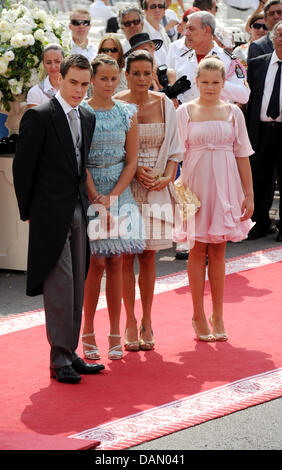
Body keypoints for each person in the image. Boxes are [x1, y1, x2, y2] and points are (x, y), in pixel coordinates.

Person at [13, 54, 105, 383]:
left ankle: (70, 352)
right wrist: (29, 213)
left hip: (79, 209)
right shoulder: (39, 116)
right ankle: (59, 356)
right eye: (73, 83)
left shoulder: (88, 116)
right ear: (59, 79)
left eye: (84, 84)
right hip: (49, 214)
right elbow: (22, 169)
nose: (79, 90)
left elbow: (79, 167)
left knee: (77, 283)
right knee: (60, 286)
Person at [176, 56, 254, 341]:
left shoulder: (234, 112)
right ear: (196, 82)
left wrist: (249, 193)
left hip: (226, 184)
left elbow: (243, 153)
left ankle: (218, 313)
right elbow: (177, 154)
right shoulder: (184, 111)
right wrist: (176, 190)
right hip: (194, 184)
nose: (210, 87)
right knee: (197, 248)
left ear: (224, 83)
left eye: (216, 82)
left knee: (219, 249)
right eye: (205, 82)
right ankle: (197, 313)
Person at [115, 50, 182, 351]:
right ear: (126, 75)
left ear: (153, 73)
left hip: (156, 188)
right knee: (127, 256)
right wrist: (132, 169)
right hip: (126, 188)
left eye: (147, 73)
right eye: (136, 73)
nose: (142, 79)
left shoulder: (165, 103)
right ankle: (129, 320)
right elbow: (108, 148)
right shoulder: (117, 103)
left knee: (148, 256)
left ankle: (148, 321)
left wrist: (167, 177)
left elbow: (175, 148)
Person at [81, 55, 145, 361]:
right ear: (92, 79)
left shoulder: (127, 113)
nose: (109, 84)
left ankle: (116, 332)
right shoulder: (81, 113)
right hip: (91, 191)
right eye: (103, 78)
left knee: (119, 262)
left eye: (113, 78)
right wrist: (96, 197)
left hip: (121, 194)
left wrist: (115, 197)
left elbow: (131, 161)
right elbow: (78, 160)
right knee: (95, 264)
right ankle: (88, 331)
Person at [246, 20, 282, 241]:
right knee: (260, 178)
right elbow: (249, 98)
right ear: (273, 38)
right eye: (279, 35)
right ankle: (260, 223)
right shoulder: (258, 63)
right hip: (261, 130)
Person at [175, 11, 250, 105]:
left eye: (191, 29)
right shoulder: (183, 59)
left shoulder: (227, 60)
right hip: (189, 117)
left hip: (217, 117)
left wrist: (215, 82)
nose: (186, 34)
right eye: (186, 29)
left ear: (207, 30)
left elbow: (244, 96)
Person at [143, 0, 171, 65]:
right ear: (145, 10)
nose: (157, 10)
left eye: (160, 6)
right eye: (153, 7)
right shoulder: (140, 31)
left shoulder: (162, 30)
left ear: (164, 11)